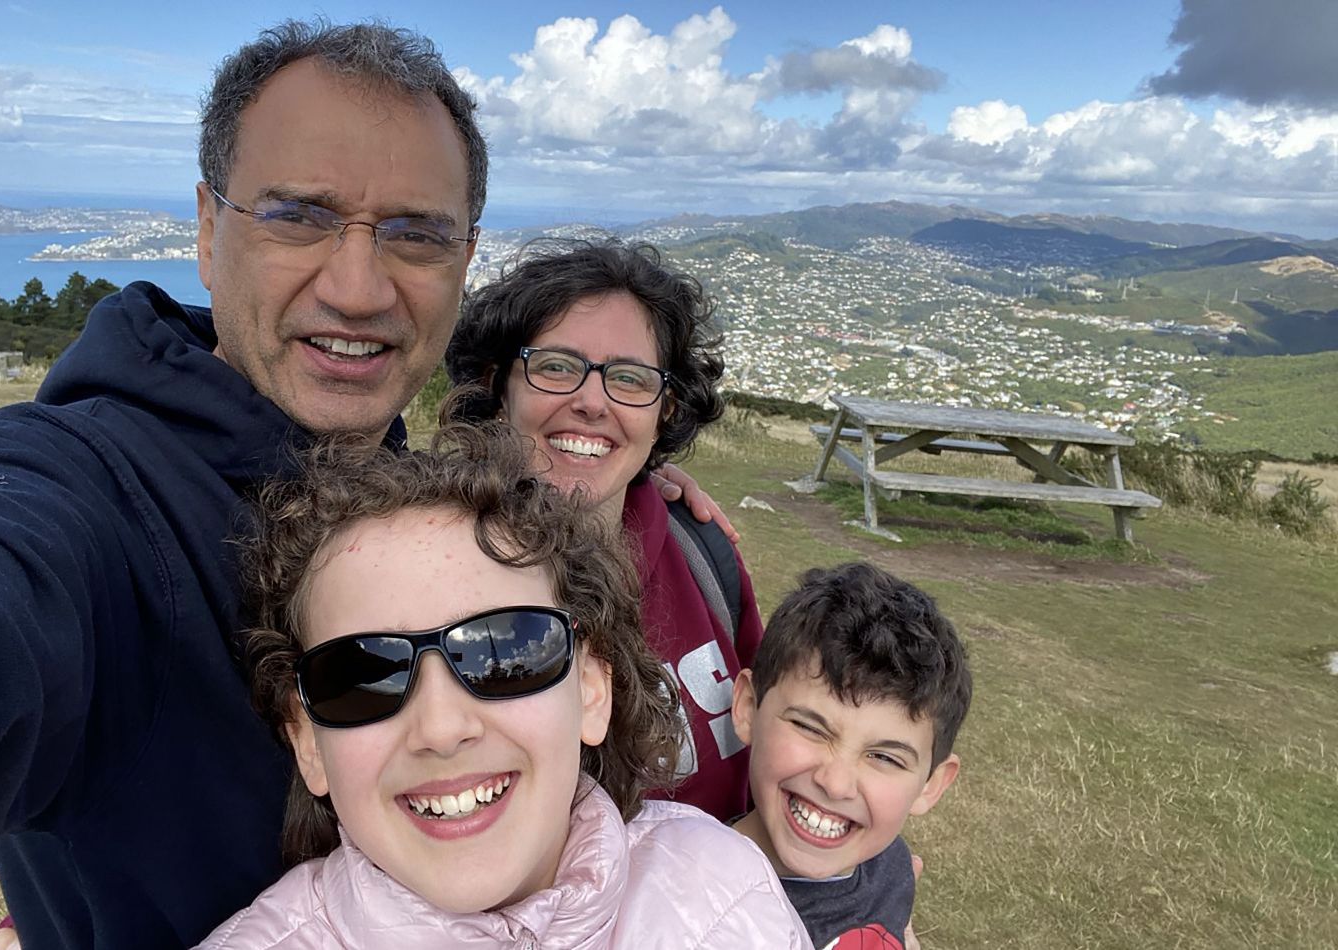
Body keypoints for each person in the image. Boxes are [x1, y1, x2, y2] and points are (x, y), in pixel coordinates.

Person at [0, 21, 723, 949]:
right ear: (209, 229)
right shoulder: (83, 501)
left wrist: (628, 467)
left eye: (414, 234)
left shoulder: (401, 492)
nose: (358, 286)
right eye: (299, 216)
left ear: (465, 261)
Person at [195, 424, 811, 949]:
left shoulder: (728, 887)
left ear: (593, 687)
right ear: (307, 742)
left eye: (506, 652)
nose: (441, 728)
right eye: (362, 676)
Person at [445, 238, 762, 821]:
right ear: (497, 386)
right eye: (556, 367)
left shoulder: (703, 554)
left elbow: (780, 753)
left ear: (665, 408)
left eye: (631, 378)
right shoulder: (435, 574)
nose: (593, 402)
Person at [729, 562, 972, 949]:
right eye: (810, 728)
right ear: (746, 708)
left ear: (932, 785)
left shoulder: (891, 868)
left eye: (886, 758)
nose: (836, 783)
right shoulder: (689, 895)